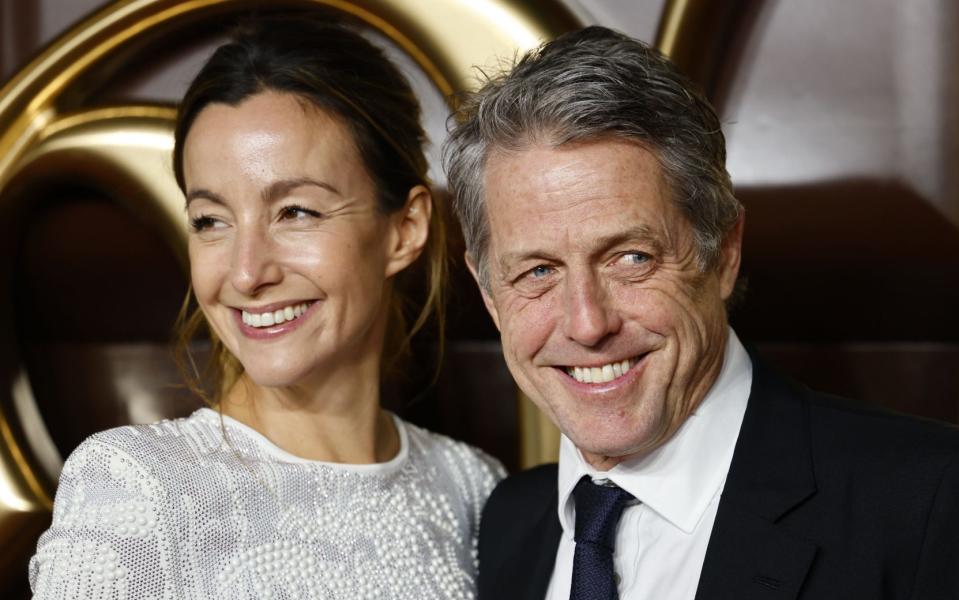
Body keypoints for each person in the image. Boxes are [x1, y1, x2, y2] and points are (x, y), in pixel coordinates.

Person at [443, 25, 959, 600]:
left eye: (631, 258)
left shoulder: (932, 501)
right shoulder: (510, 522)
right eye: (538, 271)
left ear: (724, 253)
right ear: (489, 293)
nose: (587, 324)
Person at [29, 12, 503, 599]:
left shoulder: (474, 490)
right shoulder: (138, 489)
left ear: (404, 229)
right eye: (211, 221)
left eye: (296, 212)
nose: (248, 272)